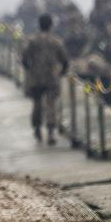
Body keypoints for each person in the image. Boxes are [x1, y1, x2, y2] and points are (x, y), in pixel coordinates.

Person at [21, 13, 69, 145]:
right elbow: (65, 60)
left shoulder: (32, 41)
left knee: (37, 104)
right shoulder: (56, 41)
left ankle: (37, 128)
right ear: (51, 26)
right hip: (51, 77)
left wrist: (29, 69)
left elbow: (24, 58)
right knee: (51, 104)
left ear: (39, 25)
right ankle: (51, 133)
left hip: (35, 77)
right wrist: (62, 72)